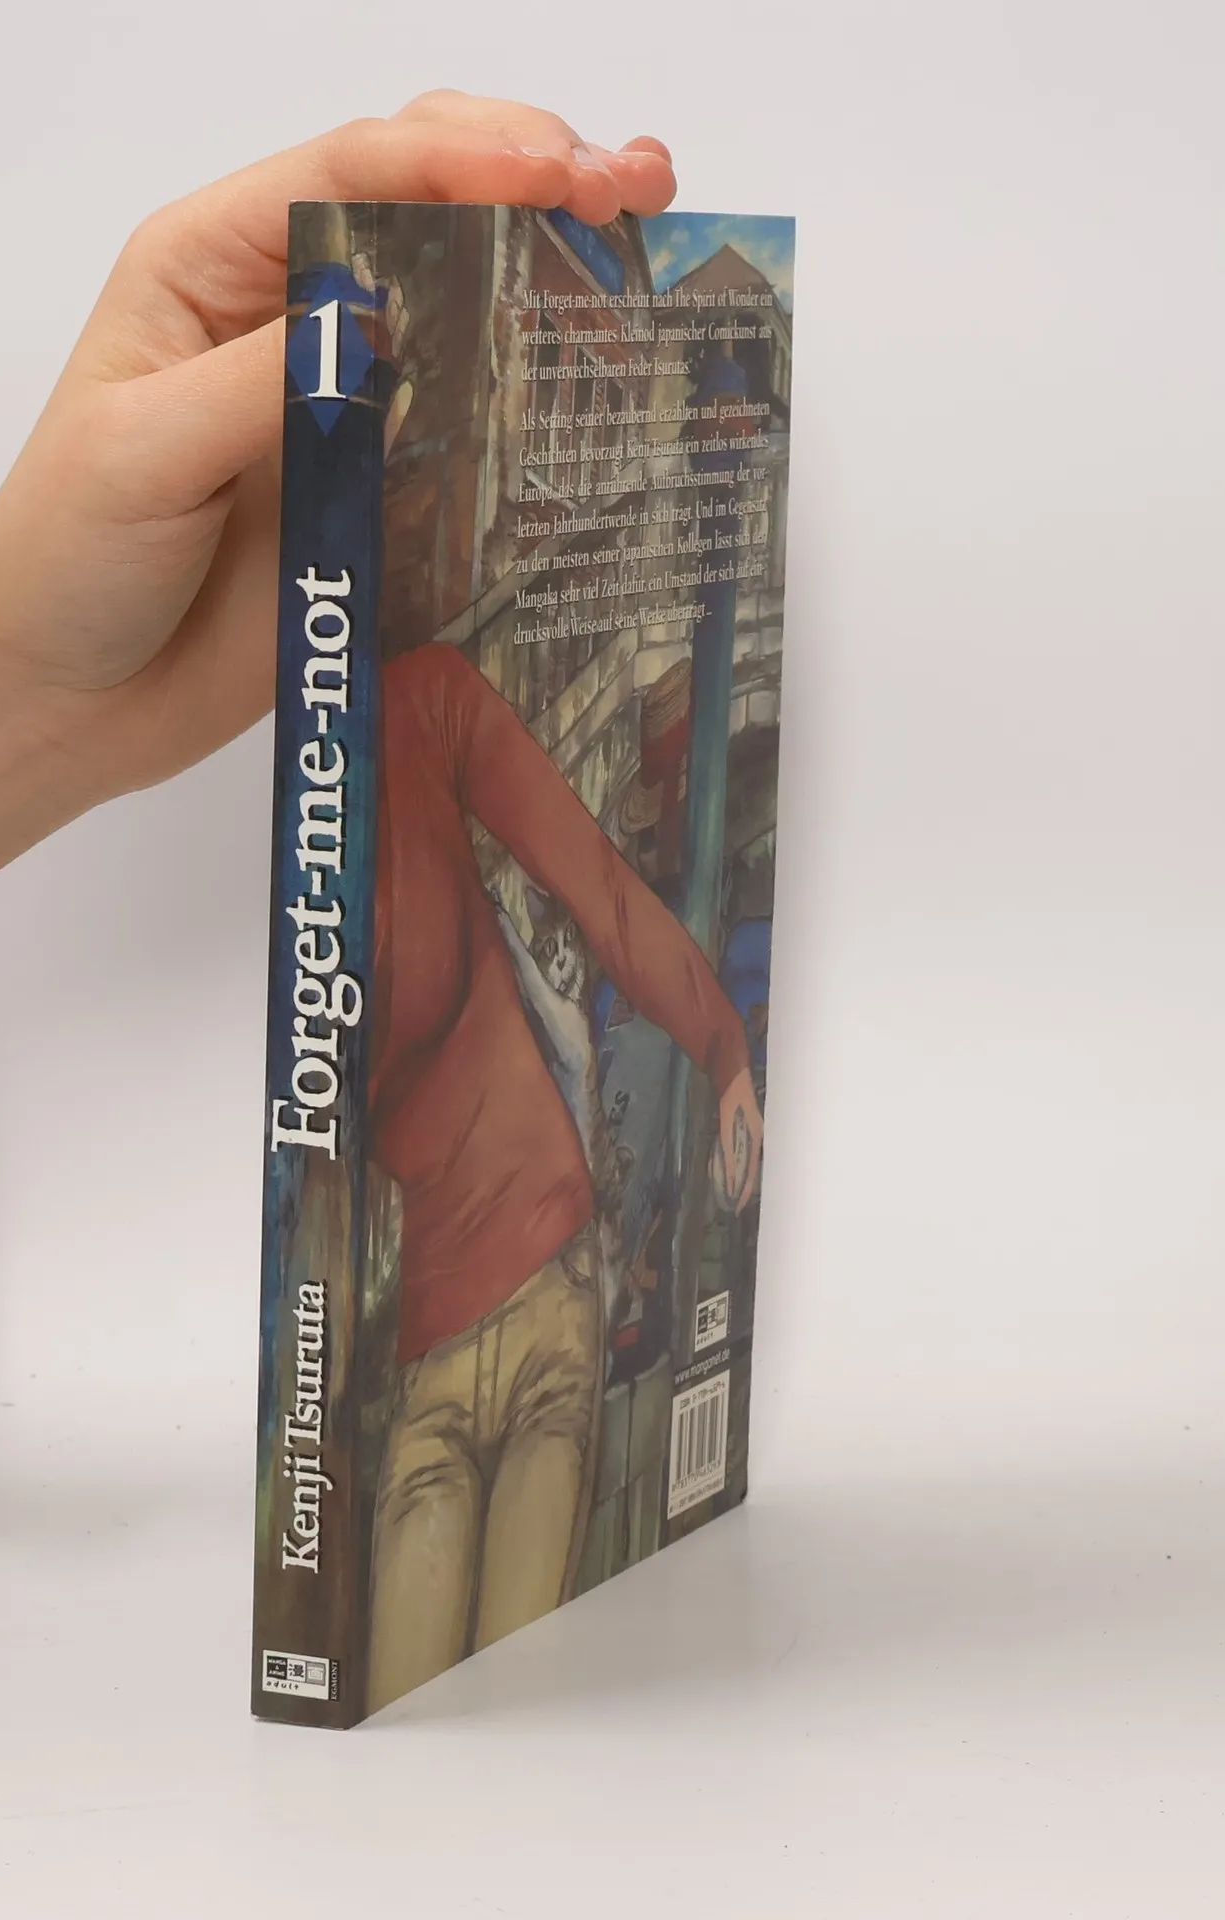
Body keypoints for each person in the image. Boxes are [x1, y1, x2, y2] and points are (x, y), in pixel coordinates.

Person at [0, 95, 679, 1340]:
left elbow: (611, 903)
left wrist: (1, 695)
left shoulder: (447, 715)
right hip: (437, 1314)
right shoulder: (426, 728)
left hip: (528, 1272)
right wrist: (8, 696)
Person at [365, 642, 763, 1710]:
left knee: (522, 1709)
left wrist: (724, 1046)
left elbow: (601, 889)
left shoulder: (420, 701)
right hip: (431, 1359)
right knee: (406, 1708)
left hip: (551, 1288)